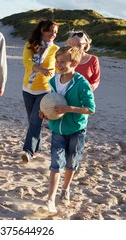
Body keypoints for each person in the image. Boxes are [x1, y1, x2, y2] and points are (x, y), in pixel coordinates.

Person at [39, 46, 95, 213]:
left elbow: (90, 108)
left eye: (63, 62)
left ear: (74, 63)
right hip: (57, 129)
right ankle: (50, 199)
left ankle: (66, 188)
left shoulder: (81, 83)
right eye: (57, 61)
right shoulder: (53, 81)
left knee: (71, 163)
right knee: (56, 163)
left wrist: (68, 108)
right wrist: (45, 113)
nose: (59, 65)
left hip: (76, 130)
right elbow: (50, 102)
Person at [21, 20, 59, 163]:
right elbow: (27, 62)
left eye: (55, 32)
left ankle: (28, 151)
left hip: (44, 90)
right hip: (28, 88)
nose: (53, 35)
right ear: (43, 30)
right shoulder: (30, 45)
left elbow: (60, 66)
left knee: (35, 120)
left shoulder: (55, 49)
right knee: (33, 121)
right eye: (50, 31)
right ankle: (37, 148)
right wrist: (41, 70)